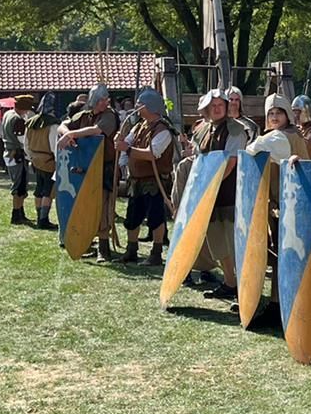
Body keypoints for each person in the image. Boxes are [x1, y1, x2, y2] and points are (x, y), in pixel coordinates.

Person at [189, 88, 246, 298]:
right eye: (213, 105)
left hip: (229, 193)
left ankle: (243, 288)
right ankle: (230, 283)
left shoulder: (235, 130)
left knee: (233, 242)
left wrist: (210, 187)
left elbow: (231, 162)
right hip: (209, 196)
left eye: (221, 105)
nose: (217, 108)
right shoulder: (203, 129)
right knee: (218, 243)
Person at [57, 84, 122, 259]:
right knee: (84, 206)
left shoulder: (109, 115)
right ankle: (84, 242)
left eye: (106, 99)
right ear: (94, 100)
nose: (105, 103)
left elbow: (96, 130)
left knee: (103, 209)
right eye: (102, 100)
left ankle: (103, 248)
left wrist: (71, 135)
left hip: (105, 169)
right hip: (84, 169)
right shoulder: (84, 115)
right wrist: (66, 133)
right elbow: (62, 125)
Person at [117, 89, 175, 266]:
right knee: (132, 216)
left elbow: (152, 153)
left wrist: (127, 149)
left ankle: (156, 253)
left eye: (140, 104)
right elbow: (126, 143)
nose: (136, 107)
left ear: (150, 107)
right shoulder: (139, 126)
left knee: (155, 217)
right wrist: (121, 146)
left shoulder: (163, 130)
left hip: (155, 181)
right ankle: (131, 251)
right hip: (137, 180)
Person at [22, 94, 62, 230]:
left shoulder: (31, 122)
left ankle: (40, 218)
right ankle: (43, 220)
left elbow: (26, 145)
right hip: (49, 161)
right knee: (47, 191)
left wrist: (31, 157)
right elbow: (55, 146)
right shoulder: (53, 125)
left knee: (39, 189)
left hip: (36, 160)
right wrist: (57, 162)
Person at [0, 94, 36, 225]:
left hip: (9, 152)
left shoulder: (7, 114)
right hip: (17, 154)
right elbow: (22, 141)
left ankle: (20, 212)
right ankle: (16, 214)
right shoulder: (18, 120)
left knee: (19, 184)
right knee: (19, 186)